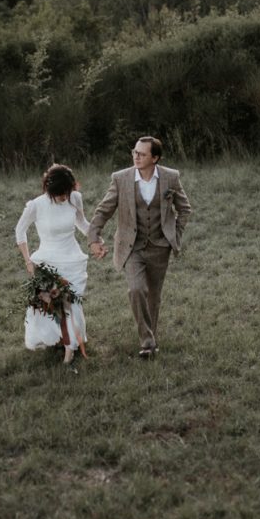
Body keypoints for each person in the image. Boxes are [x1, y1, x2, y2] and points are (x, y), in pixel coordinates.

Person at [88, 136, 192, 358]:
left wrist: (175, 234)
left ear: (155, 158)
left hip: (159, 246)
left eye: (142, 154)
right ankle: (147, 341)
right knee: (137, 289)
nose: (136, 156)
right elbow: (104, 210)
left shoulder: (170, 177)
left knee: (153, 295)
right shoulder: (120, 178)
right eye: (134, 152)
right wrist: (93, 236)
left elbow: (185, 209)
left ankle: (150, 343)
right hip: (131, 246)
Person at [16, 163, 89, 366]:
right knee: (53, 305)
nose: (64, 198)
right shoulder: (36, 205)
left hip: (72, 258)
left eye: (66, 192)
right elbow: (19, 231)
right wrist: (28, 260)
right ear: (49, 190)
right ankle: (61, 340)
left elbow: (82, 223)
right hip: (47, 261)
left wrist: (96, 239)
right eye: (59, 194)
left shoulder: (75, 198)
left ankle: (70, 346)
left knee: (72, 303)